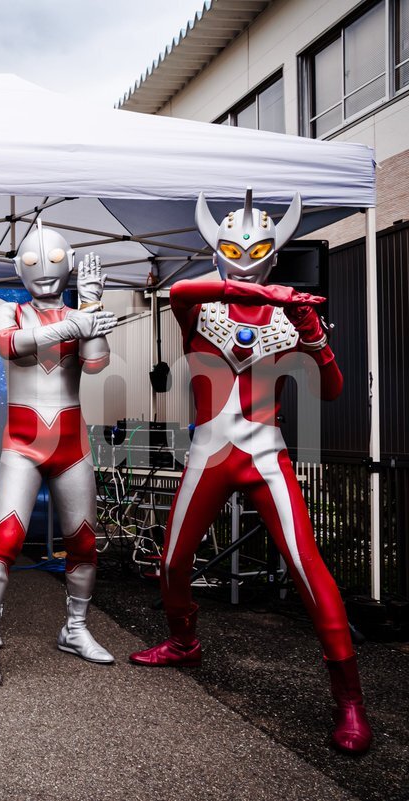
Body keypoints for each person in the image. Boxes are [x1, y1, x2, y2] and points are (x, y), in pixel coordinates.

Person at [129, 188, 371, 755]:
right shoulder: (203, 308)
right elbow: (179, 290)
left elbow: (331, 391)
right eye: (232, 250)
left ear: (273, 251)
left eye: (256, 251)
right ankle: (183, 642)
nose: (242, 259)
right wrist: (267, 291)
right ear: (217, 250)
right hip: (209, 453)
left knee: (307, 567)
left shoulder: (289, 317)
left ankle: (350, 700)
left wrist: (314, 336)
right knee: (172, 560)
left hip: (265, 454)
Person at [0, 223, 118, 687]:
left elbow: (97, 362)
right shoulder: (8, 311)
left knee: (83, 541)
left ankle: (76, 628)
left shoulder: (79, 312)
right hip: (22, 446)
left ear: (71, 264)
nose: (45, 270)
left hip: (72, 445)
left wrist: (91, 305)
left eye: (55, 260)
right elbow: (9, 345)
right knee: (5, 538)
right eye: (31, 261)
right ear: (18, 268)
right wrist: (75, 323)